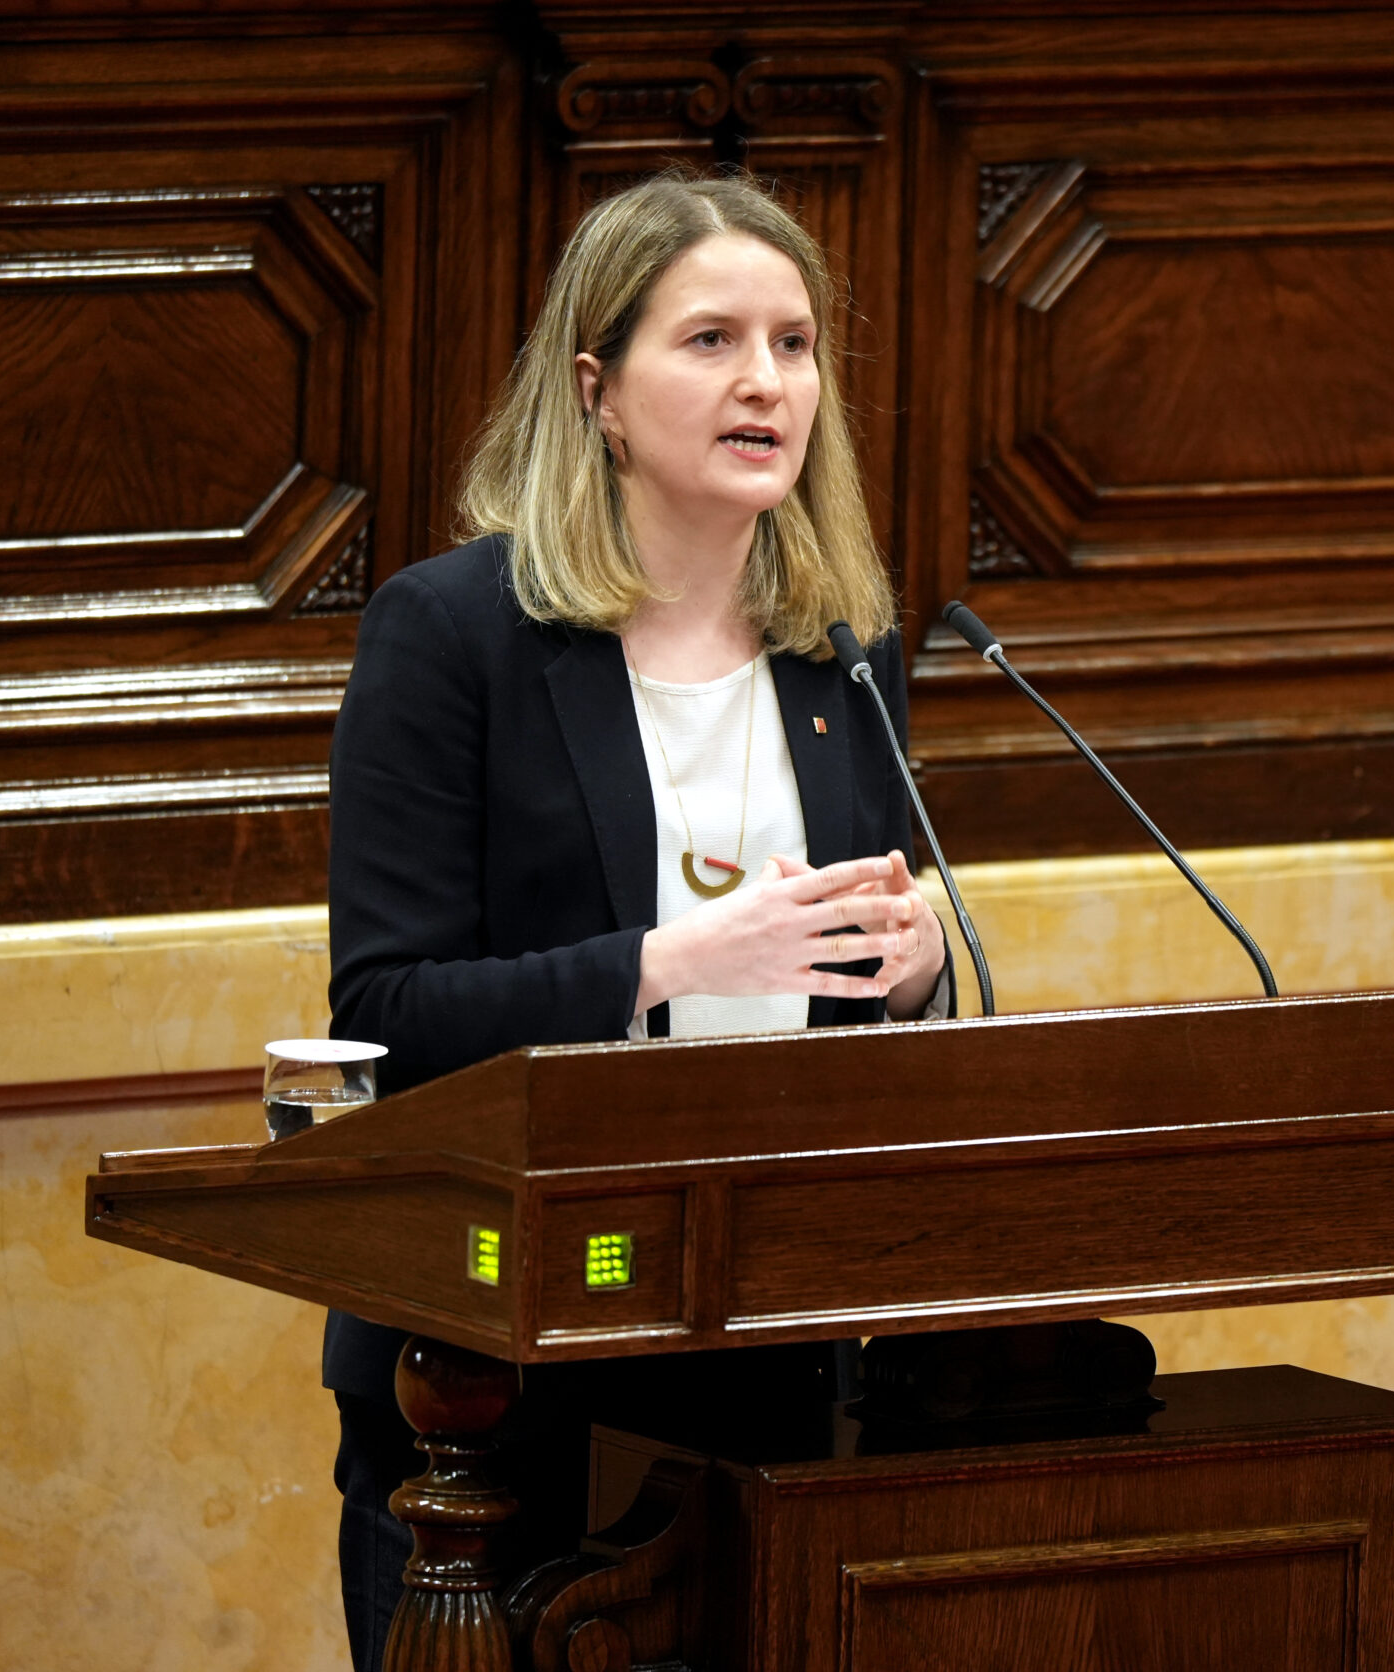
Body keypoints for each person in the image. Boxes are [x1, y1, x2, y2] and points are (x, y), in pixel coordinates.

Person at [318, 171, 953, 1671]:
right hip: (497, 1376)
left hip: (767, 1349)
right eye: (712, 340)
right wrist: (667, 965)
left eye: (794, 345)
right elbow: (386, 1012)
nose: (766, 383)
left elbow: (867, 974)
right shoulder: (452, 635)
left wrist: (915, 970)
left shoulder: (840, 648)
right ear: (598, 389)